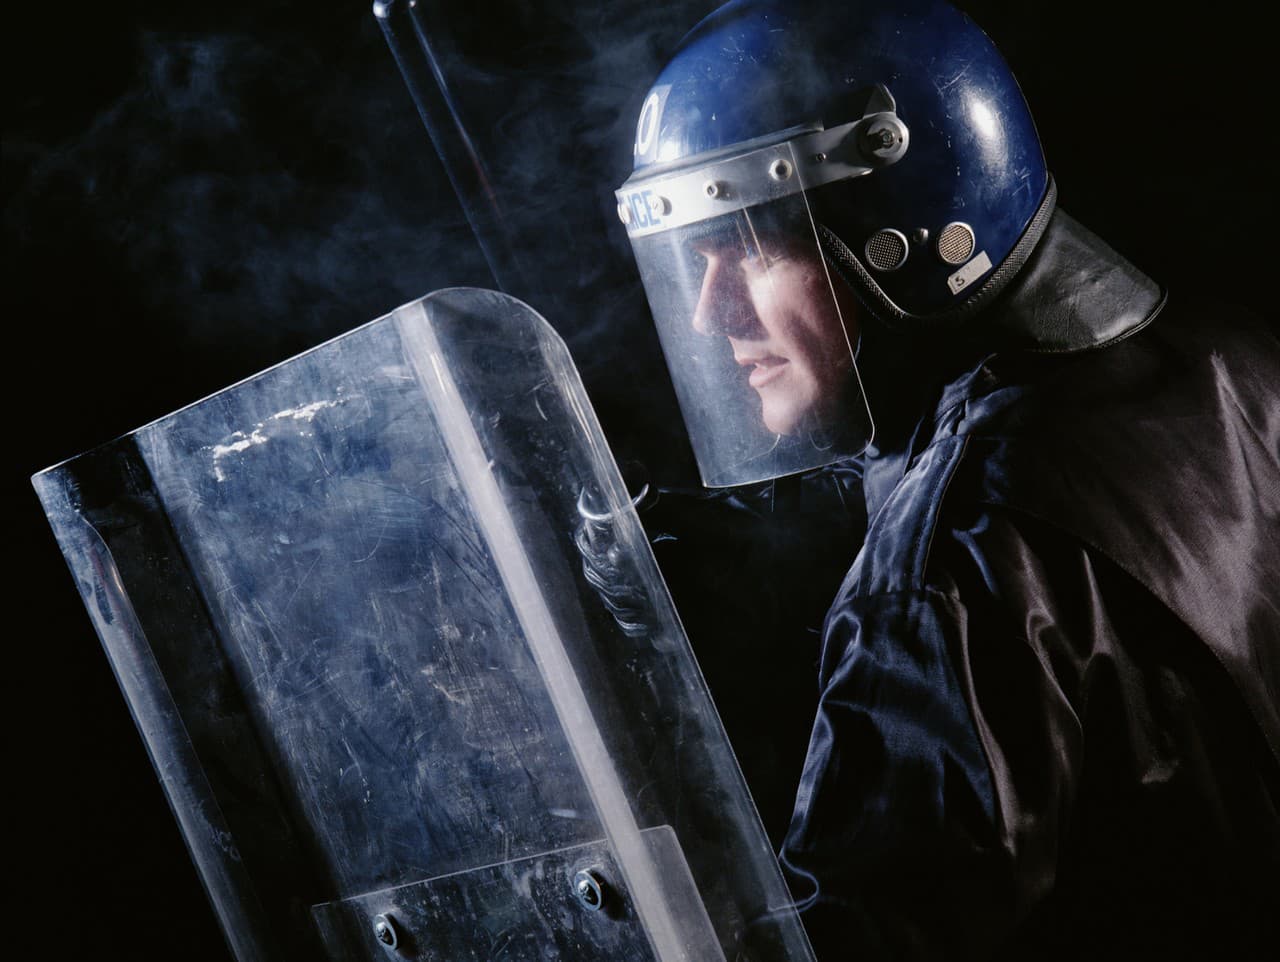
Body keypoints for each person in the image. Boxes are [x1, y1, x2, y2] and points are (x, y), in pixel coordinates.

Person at [610, 0, 1280, 958]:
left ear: (904, 229)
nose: (710, 312)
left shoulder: (951, 575)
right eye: (697, 259)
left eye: (753, 248)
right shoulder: (1234, 362)